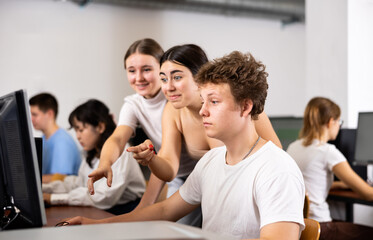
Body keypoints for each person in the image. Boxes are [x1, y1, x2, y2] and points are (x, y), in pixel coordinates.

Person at [67, 51, 305, 240]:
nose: (203, 111)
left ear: (245, 107)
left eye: (214, 102)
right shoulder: (212, 160)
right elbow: (164, 211)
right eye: (204, 101)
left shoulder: (277, 168)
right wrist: (96, 226)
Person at [287, 97, 373, 240]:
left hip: (301, 227)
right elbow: (367, 194)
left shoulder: (293, 147)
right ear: (330, 122)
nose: (339, 126)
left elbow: (309, 183)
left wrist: (340, 184)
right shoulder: (327, 151)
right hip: (321, 227)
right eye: (339, 122)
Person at [42, 99, 145, 215]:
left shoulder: (121, 151)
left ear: (100, 127)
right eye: (76, 131)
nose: (78, 136)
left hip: (126, 211)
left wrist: (53, 198)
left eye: (81, 130)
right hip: (103, 209)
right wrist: (47, 188)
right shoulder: (91, 153)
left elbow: (104, 197)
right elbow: (79, 184)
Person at [29, 93, 81, 182]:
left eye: (35, 114)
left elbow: (60, 179)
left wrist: (28, 180)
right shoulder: (44, 139)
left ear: (49, 114)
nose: (31, 119)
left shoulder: (62, 142)